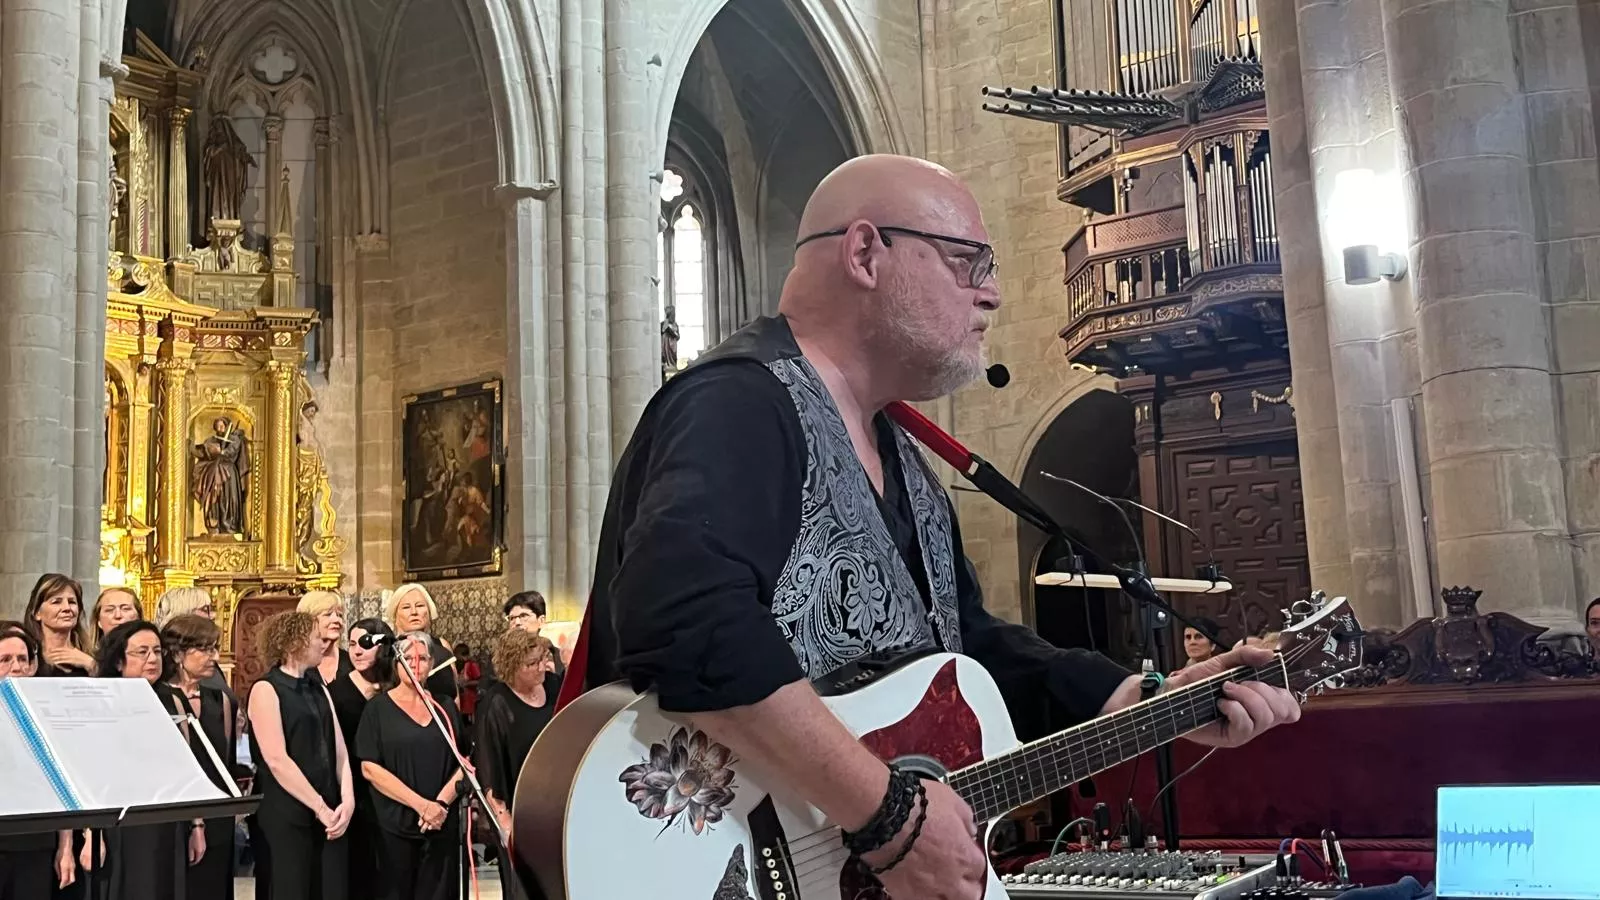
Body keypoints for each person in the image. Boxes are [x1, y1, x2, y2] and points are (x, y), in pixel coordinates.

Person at [576, 154, 1301, 900]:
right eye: (967, 262)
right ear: (866, 253)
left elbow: (966, 651)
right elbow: (685, 618)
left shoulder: (906, 458)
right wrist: (886, 815)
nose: (991, 295)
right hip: (694, 862)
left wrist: (1146, 699)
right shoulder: (738, 402)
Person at [88, 621, 206, 899]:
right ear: (119, 660)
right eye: (142, 652)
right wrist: (89, 832)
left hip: (166, 820)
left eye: (156, 651)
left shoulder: (173, 700)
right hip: (118, 822)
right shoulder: (100, 701)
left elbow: (187, 769)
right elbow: (90, 771)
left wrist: (196, 824)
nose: (152, 659)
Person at [247, 611, 353, 900]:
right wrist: (320, 808)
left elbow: (339, 748)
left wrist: (348, 800)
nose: (324, 642)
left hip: (330, 812)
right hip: (287, 813)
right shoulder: (266, 689)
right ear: (294, 643)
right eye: (317, 637)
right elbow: (277, 760)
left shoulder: (317, 686)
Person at [356, 632, 467, 900]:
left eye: (423, 659)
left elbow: (464, 762)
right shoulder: (377, 709)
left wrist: (440, 805)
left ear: (431, 664)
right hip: (394, 827)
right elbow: (369, 768)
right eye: (407, 658)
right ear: (396, 663)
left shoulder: (444, 707)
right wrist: (422, 805)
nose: (415, 664)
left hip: (441, 824)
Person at [474, 632, 560, 900]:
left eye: (542, 659)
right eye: (531, 664)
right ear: (512, 667)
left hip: (555, 805)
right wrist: (504, 821)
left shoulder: (556, 686)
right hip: (518, 811)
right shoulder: (495, 703)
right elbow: (489, 766)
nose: (541, 668)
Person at [159, 614, 237, 900]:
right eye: (204, 649)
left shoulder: (222, 700)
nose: (213, 657)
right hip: (174, 819)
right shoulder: (158, 697)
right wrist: (195, 822)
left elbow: (224, 762)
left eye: (214, 648)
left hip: (218, 816)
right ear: (178, 653)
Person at [0, 623, 75, 898]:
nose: (16, 667)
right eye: (5, 660)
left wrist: (65, 847)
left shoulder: (49, 716)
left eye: (22, 659)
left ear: (33, 666)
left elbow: (63, 782)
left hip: (35, 842)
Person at [327, 618, 394, 896]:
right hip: (355, 790)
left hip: (393, 791)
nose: (356, 651)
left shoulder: (397, 686)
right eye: (352, 644)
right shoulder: (336, 692)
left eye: (365, 644)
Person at [383, 584, 456, 700]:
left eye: (420, 606)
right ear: (395, 616)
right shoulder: (387, 650)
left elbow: (454, 693)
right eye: (406, 607)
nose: (414, 612)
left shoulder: (442, 645)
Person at [23, 574, 95, 676]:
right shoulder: (25, 654)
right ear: (37, 613)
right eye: (56, 602)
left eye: (72, 602)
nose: (67, 608)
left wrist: (91, 665)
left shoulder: (93, 655)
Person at [297, 591, 353, 686]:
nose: (337, 620)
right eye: (328, 614)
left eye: (339, 615)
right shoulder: (296, 663)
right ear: (308, 620)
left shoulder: (352, 661)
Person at [503, 591, 564, 675]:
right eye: (512, 618)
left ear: (541, 620)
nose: (517, 622)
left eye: (523, 616)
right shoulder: (501, 657)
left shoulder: (558, 655)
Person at [90, 587, 143, 651]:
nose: (118, 615)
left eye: (125, 609)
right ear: (99, 621)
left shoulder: (153, 656)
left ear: (139, 617)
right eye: (110, 610)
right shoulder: (87, 659)